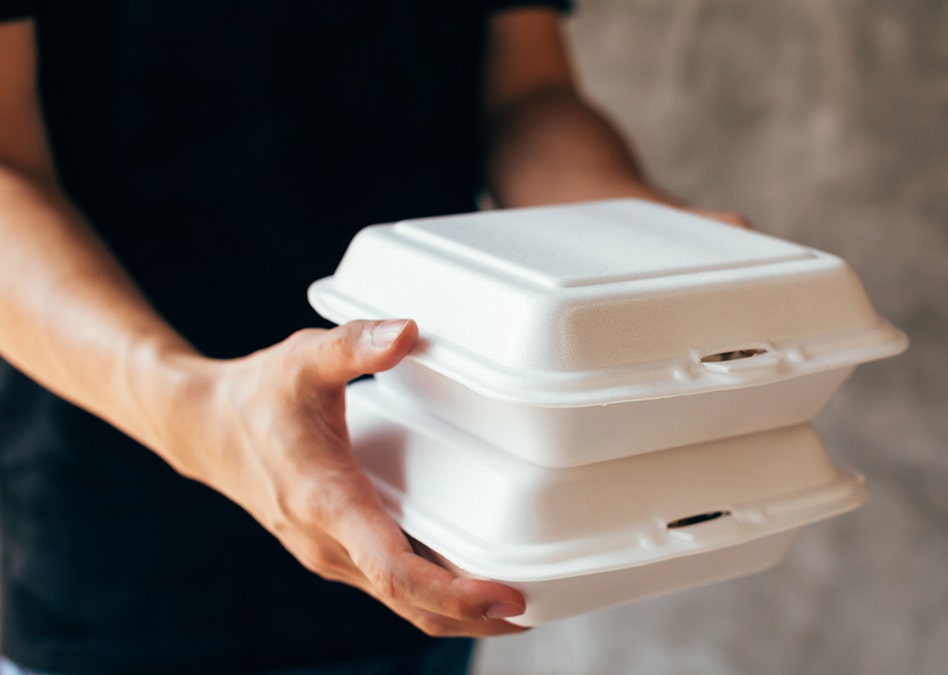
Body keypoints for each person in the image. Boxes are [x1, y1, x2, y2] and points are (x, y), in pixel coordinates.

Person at [0, 2, 746, 674]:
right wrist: (194, 406)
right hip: (111, 555)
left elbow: (525, 93)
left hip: (425, 522)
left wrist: (648, 241)